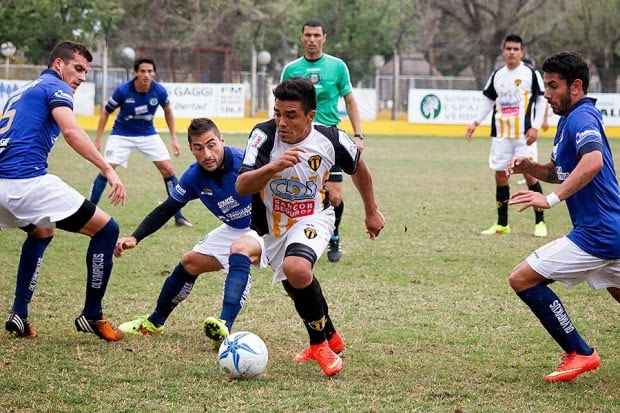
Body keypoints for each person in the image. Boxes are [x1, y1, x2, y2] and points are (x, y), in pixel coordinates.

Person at [212, 77, 384, 377]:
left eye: (290, 115)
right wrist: (273, 167)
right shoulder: (263, 136)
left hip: (314, 216)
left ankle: (318, 345)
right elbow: (242, 186)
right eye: (277, 113)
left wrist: (372, 211)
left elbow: (360, 170)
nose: (281, 121)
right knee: (295, 287)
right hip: (272, 227)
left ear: (310, 116)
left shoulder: (331, 138)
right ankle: (330, 335)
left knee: (297, 269)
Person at [1, 40, 127, 341]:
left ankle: (19, 313)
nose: (82, 77)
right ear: (59, 64)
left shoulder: (22, 91)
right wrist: (108, 168)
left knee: (42, 231)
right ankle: (92, 315)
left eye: (87, 71)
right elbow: (71, 131)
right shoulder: (55, 88)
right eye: (78, 68)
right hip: (26, 183)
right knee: (107, 230)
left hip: (3, 187)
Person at [507, 50, 620, 382]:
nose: (547, 94)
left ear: (576, 86)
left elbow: (593, 162)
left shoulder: (582, 118)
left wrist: (550, 201)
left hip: (596, 233)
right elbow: (562, 171)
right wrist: (532, 168)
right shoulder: (568, 120)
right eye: (546, 85)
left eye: (553, 86)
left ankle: (581, 352)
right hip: (612, 231)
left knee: (522, 279)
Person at [114, 118, 254, 347]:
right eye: (199, 148)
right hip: (236, 227)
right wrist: (135, 237)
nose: (207, 154)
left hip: (270, 225)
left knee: (243, 254)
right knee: (190, 263)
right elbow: (167, 208)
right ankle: (154, 322)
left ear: (222, 141)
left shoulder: (245, 161)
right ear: (191, 150)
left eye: (211, 145)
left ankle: (224, 325)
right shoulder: (194, 177)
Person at [280, 18, 364, 262]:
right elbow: (281, 106)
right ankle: (297, 235)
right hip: (299, 140)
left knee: (334, 196)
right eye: (308, 35)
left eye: (317, 35)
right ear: (302, 36)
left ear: (324, 37)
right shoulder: (291, 69)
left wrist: (358, 135)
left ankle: (334, 235)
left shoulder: (337, 67)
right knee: (299, 190)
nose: (312, 40)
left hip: (329, 140)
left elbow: (349, 101)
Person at [88, 57, 192, 227]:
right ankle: (89, 211)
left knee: (168, 169)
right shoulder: (123, 91)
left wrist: (174, 139)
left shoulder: (159, 91)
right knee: (106, 168)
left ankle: (178, 216)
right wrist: (98, 140)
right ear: (136, 72)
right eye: (143, 71)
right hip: (121, 134)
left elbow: (168, 112)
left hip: (147, 134)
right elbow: (106, 112)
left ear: (154, 73)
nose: (146, 75)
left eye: (150, 71)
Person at [465, 34, 548, 237]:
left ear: (521, 52)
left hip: (523, 135)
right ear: (503, 51)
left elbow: (541, 100)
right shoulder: (497, 75)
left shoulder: (530, 74)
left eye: (515, 49)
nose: (512, 52)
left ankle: (540, 222)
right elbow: (487, 101)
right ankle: (502, 223)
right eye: (508, 48)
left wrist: (535, 126)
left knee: (529, 173)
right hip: (501, 135)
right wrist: (475, 122)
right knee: (500, 175)